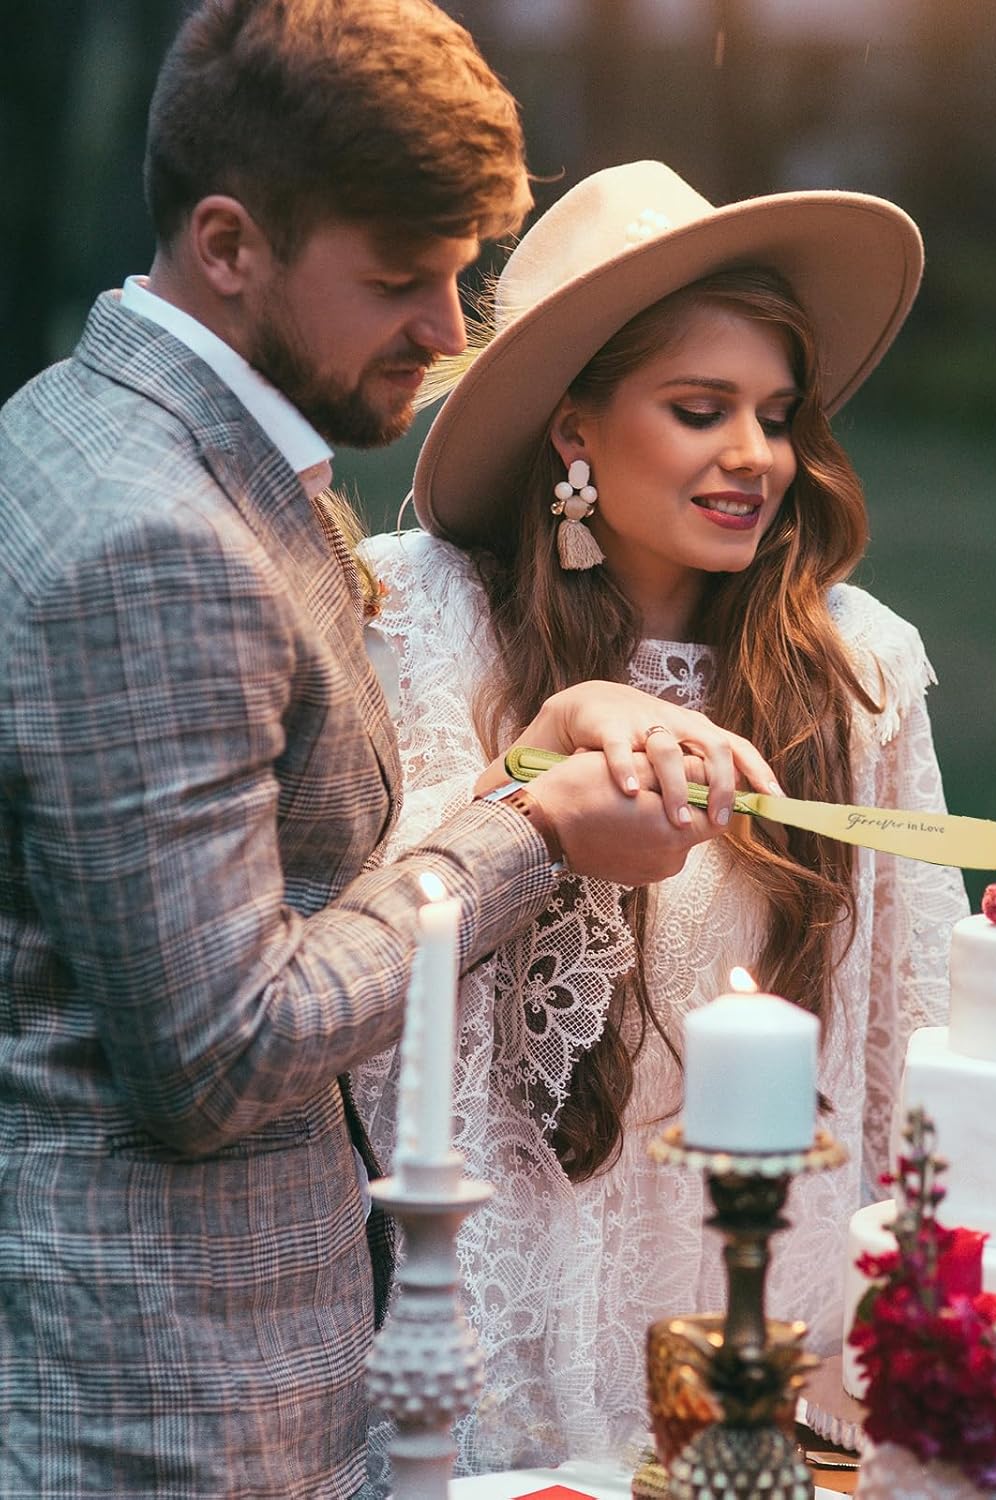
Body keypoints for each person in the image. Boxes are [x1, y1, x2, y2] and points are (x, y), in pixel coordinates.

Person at [0, 13, 772, 1498]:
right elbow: (221, 1055)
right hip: (166, 1411)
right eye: (398, 279)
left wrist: (525, 761)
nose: (445, 330)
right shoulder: (154, 540)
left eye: (458, 274)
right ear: (230, 244)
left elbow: (275, 876)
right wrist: (538, 832)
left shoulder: (93, 422)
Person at [354, 160, 971, 1474]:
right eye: (701, 410)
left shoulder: (852, 670)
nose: (757, 456)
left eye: (778, 416)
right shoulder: (423, 623)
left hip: (758, 1339)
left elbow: (906, 1035)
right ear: (574, 429)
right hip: (480, 1329)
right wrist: (534, 772)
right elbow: (357, 949)